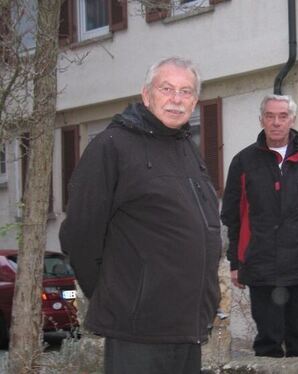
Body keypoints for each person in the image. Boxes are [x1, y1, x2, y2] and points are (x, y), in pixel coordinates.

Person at [59, 57, 222, 374]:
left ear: (195, 101)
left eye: (186, 91)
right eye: (167, 88)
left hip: (187, 328)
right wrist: (117, 294)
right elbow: (79, 234)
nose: (177, 99)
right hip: (138, 331)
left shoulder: (187, 148)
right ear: (146, 94)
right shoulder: (112, 146)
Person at [220, 94, 298, 357]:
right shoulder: (243, 161)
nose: (276, 122)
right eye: (270, 116)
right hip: (261, 264)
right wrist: (235, 262)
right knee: (268, 341)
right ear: (261, 120)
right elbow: (232, 215)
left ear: (292, 120)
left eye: (282, 116)